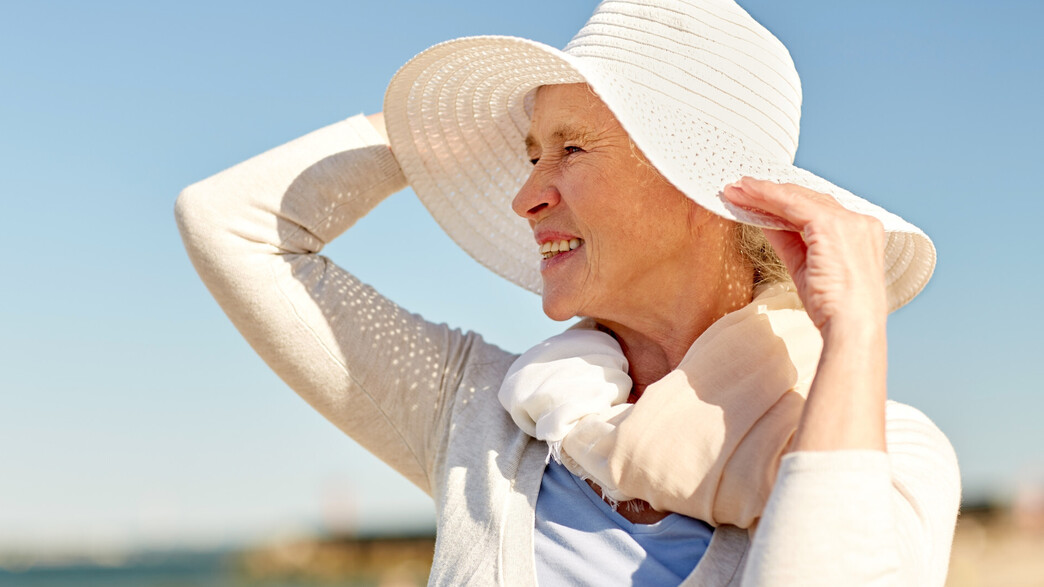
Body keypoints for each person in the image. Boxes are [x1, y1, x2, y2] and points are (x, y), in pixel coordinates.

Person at [176, 1, 960, 585]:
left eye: (571, 148)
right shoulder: (487, 416)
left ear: (704, 190)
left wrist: (856, 331)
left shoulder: (886, 452)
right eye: (526, 154)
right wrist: (418, 134)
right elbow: (230, 225)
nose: (524, 198)